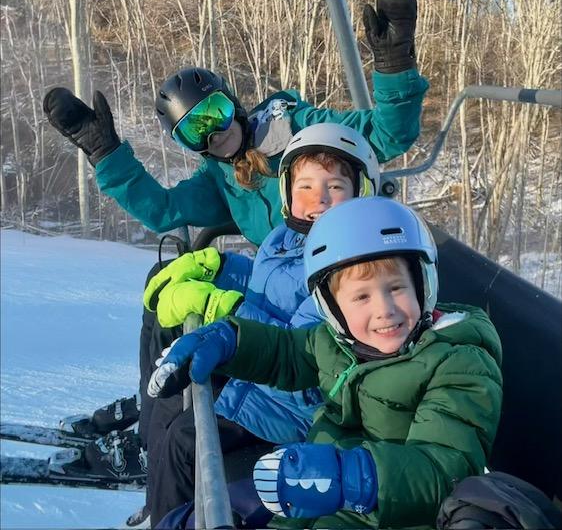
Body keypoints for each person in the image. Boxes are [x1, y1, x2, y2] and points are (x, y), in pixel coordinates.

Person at [43, 0, 428, 443]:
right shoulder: (219, 176)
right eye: (194, 131)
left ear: (233, 102)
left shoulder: (293, 129)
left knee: (202, 305)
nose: (213, 133)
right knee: (161, 281)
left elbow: (388, 136)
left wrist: (393, 63)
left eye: (215, 113)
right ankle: (156, 400)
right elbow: (164, 210)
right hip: (279, 281)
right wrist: (106, 152)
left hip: (317, 292)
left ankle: (169, 416)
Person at [149, 196, 503, 529]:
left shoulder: (458, 362)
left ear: (422, 286)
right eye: (361, 296)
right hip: (322, 497)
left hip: (386, 512)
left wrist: (351, 477)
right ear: (332, 309)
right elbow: (287, 352)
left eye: (396, 288)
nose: (385, 310)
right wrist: (228, 342)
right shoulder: (343, 341)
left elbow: (445, 469)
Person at [142, 123, 381, 527]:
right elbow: (268, 285)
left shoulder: (350, 264)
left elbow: (298, 347)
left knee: (186, 439)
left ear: (362, 193)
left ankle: (165, 515)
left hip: (289, 406)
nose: (318, 199)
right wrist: (219, 266)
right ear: (287, 193)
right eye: (305, 187)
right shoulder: (284, 238)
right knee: (178, 390)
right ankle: (152, 463)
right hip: (259, 381)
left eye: (335, 188)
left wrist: (222, 307)